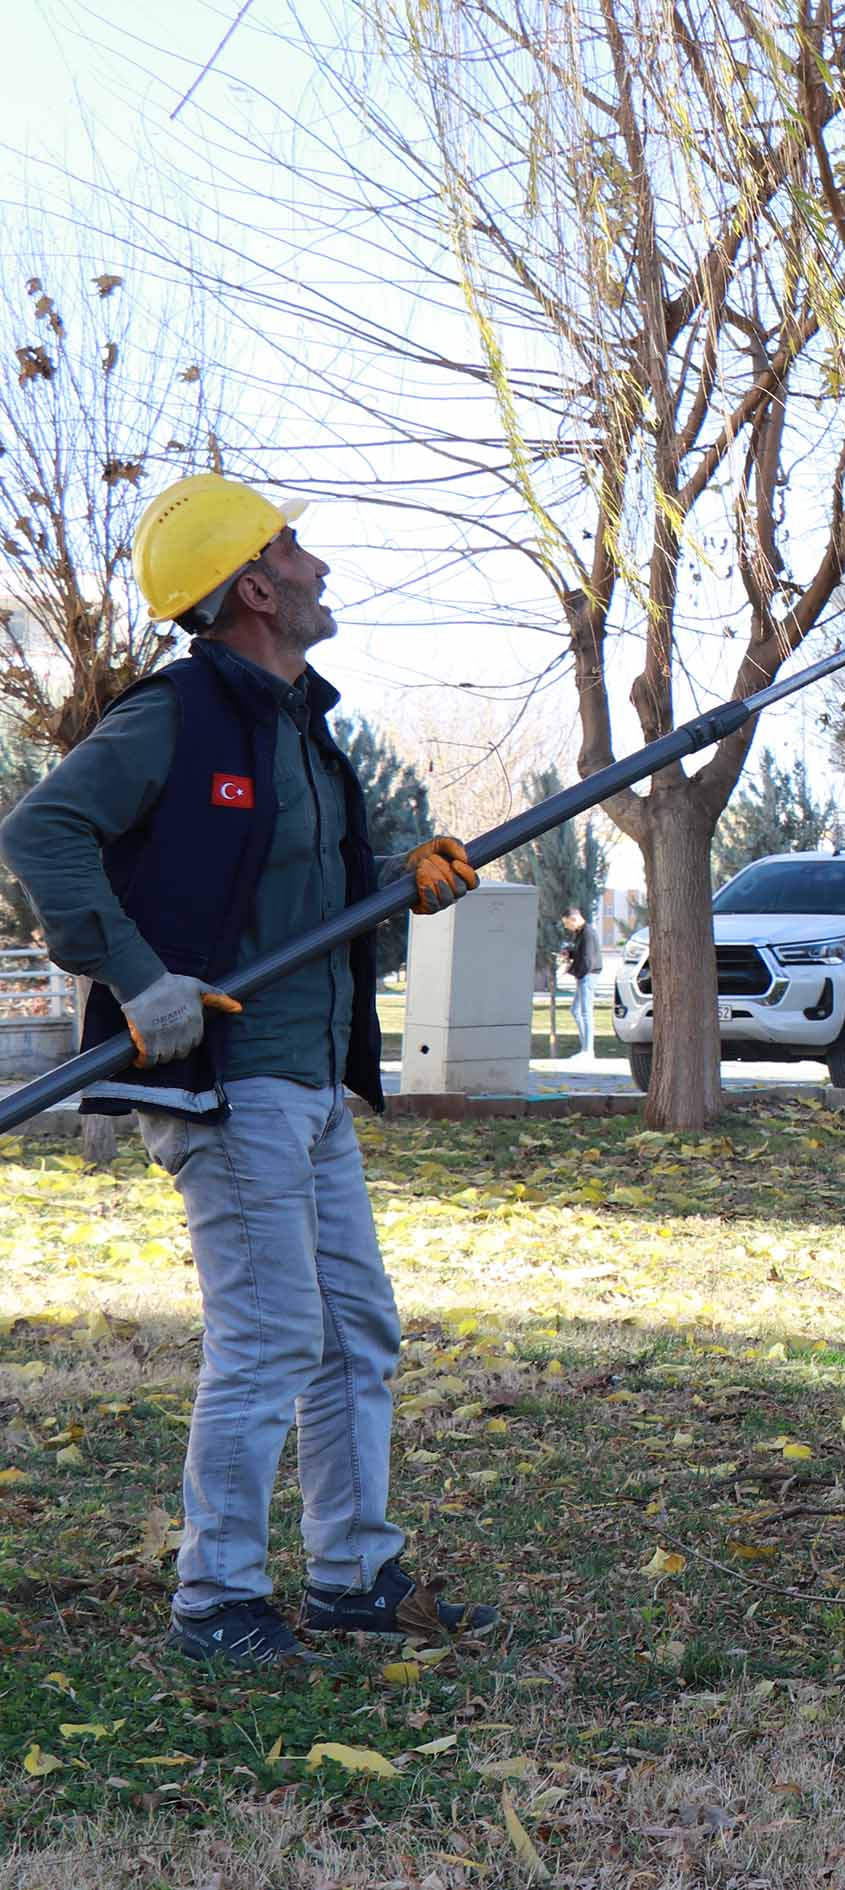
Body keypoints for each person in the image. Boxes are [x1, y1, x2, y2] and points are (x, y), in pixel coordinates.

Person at [0, 473, 502, 1669]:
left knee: (353, 1334)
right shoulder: (176, 716)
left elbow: (282, 878)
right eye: (293, 547)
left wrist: (399, 875)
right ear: (255, 587)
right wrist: (135, 974)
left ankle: (353, 1576)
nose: (316, 564)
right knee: (272, 1337)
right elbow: (39, 832)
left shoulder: (297, 726)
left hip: (312, 1078)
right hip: (229, 1081)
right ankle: (216, 1595)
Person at [560, 908, 601, 1059]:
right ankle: (585, 1048)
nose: (566, 927)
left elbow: (588, 960)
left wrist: (573, 972)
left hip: (588, 975)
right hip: (583, 975)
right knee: (575, 1011)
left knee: (585, 1012)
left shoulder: (588, 933)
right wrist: (569, 953)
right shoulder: (580, 933)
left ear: (574, 919)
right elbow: (579, 952)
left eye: (566, 923)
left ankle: (588, 1051)